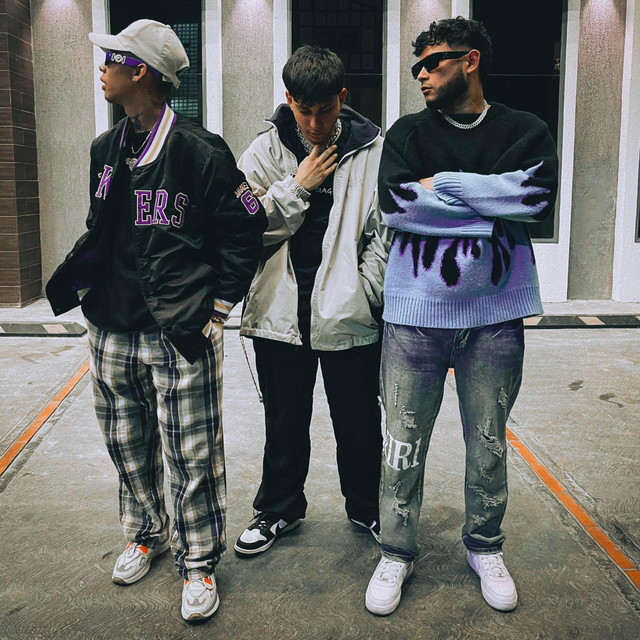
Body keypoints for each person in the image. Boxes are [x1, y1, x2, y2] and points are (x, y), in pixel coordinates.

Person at [46, 19, 266, 622]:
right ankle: (146, 533)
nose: (103, 68)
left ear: (140, 71)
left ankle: (198, 562)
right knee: (127, 444)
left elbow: (246, 226)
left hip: (179, 328)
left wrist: (220, 306)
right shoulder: (105, 149)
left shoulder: (201, 150)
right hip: (110, 325)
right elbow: (102, 230)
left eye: (112, 59)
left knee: (192, 454)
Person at [365, 17, 558, 615]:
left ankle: (485, 546)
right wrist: (491, 201)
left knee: (488, 443)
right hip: (414, 315)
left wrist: (444, 184)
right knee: (401, 443)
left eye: (433, 63)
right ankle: (396, 550)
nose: (422, 75)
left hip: (495, 315)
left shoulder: (524, 129)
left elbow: (535, 198)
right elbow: (397, 206)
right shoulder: (406, 134)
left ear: (470, 60)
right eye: (416, 66)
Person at [234, 45, 390, 556]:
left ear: (343, 97)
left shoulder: (373, 151)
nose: (316, 123)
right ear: (289, 100)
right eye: (305, 110)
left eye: (326, 110)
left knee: (359, 421)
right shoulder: (263, 153)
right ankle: (279, 509)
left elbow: (386, 233)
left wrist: (365, 292)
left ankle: (368, 507)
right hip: (281, 311)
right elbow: (242, 231)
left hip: (349, 311)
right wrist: (297, 188)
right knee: (283, 421)